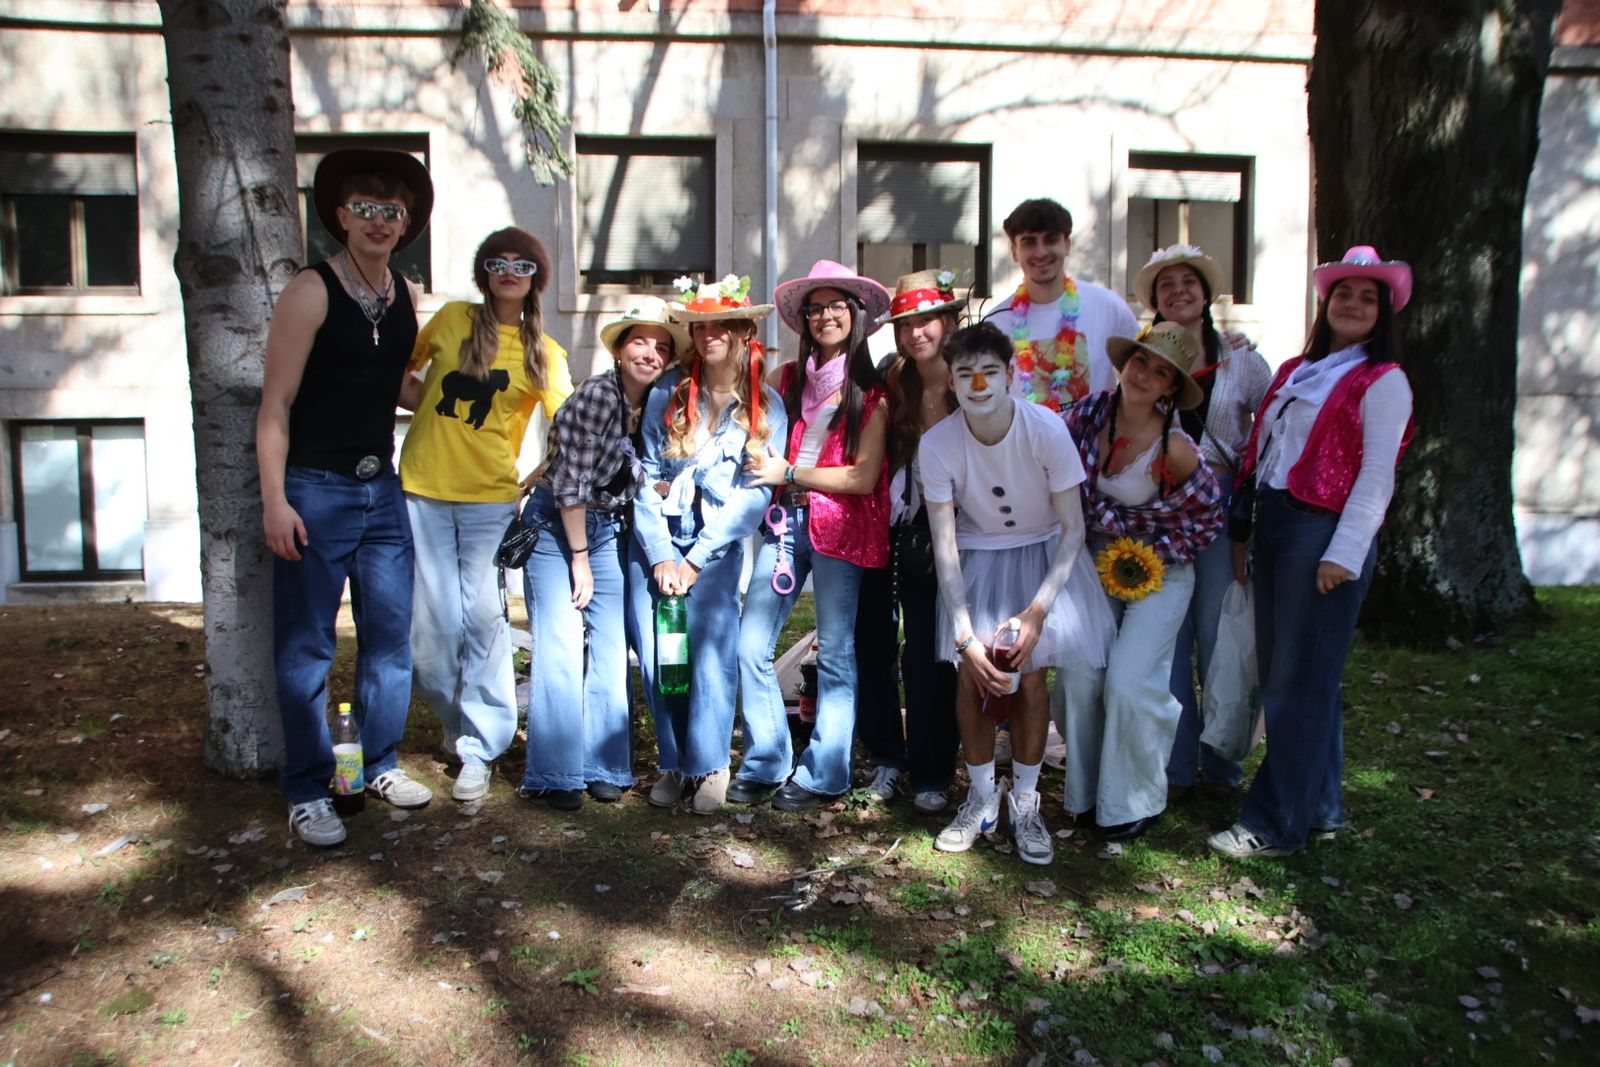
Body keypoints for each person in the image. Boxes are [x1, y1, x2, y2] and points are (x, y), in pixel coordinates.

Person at [1209, 247, 1415, 858]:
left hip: (1321, 534)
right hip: (1276, 525)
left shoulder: (1384, 381)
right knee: (1298, 678)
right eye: (1344, 294)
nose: (1352, 305)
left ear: (1384, 312)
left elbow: (1377, 476)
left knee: (1297, 684)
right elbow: (1260, 456)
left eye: (1367, 297)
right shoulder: (1299, 368)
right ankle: (1321, 805)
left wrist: (1344, 553)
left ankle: (1274, 824)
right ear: (1327, 303)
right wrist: (1245, 537)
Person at [258, 148, 436, 846]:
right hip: (315, 488)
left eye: (391, 210)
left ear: (407, 221)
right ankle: (308, 788)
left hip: (381, 491)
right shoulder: (311, 290)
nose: (378, 221)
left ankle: (377, 764)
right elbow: (275, 404)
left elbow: (393, 386)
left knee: (391, 639)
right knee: (307, 649)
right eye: (364, 208)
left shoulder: (403, 295)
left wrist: (459, 392)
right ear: (339, 215)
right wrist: (276, 499)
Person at [921, 322, 1114, 866]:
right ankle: (982, 795)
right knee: (974, 673)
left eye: (989, 372)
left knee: (1029, 679)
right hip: (977, 557)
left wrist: (1038, 610)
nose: (978, 384)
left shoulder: (1046, 429)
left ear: (1011, 375)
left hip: (1044, 557)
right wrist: (962, 632)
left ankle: (1026, 802)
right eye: (965, 374)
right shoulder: (936, 445)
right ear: (951, 381)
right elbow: (945, 543)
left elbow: (1073, 529)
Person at [398, 228, 571, 804]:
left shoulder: (543, 353)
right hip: (421, 488)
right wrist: (427, 411)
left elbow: (572, 426)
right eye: (497, 262)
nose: (508, 272)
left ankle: (480, 744)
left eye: (521, 265)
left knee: (482, 621)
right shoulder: (449, 320)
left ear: (535, 279)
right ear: (484, 272)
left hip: (489, 500)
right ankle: (456, 722)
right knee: (431, 632)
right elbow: (403, 375)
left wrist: (537, 478)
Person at [735, 260, 892, 812]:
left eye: (836, 306)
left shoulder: (872, 394)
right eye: (816, 308)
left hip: (838, 531)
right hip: (783, 524)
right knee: (749, 644)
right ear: (803, 319)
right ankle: (769, 759)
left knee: (836, 655)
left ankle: (827, 772)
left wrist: (790, 474)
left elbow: (863, 477)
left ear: (856, 315)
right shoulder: (787, 381)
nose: (825, 316)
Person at [515, 298, 685, 809]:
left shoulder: (655, 403)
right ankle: (555, 773)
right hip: (556, 524)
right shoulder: (595, 396)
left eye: (661, 346)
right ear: (617, 348)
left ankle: (605, 765)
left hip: (605, 525)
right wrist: (580, 558)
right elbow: (570, 484)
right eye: (639, 341)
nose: (650, 354)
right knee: (563, 643)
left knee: (611, 648)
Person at [1060, 323, 1224, 841]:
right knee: (1079, 678)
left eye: (1161, 372)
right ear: (1124, 362)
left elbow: (1209, 518)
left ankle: (1132, 802)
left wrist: (1153, 554)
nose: (1145, 375)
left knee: (1129, 681)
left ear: (1172, 387)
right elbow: (1038, 443)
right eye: (1140, 362)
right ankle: (1086, 796)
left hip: (1163, 570)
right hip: (1095, 562)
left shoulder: (1176, 449)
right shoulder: (1086, 416)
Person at [630, 275, 784, 815]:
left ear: (744, 329)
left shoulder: (766, 406)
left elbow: (752, 497)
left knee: (710, 655)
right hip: (656, 544)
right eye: (700, 325)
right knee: (658, 656)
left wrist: (694, 559)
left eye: (722, 324)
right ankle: (673, 762)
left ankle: (711, 763)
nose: (709, 333)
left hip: (713, 551)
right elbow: (645, 475)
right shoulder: (667, 395)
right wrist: (661, 555)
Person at [1125, 246, 1274, 800]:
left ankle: (1223, 765)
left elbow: (1271, 432)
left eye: (1189, 282)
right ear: (1156, 301)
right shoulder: (1145, 363)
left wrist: (1253, 511)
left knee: (1219, 639)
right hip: (1158, 517)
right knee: (1167, 641)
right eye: (1167, 285)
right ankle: (1175, 765)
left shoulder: (1243, 361)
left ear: (1206, 294)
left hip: (1220, 518)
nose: (1179, 291)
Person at [854, 270, 963, 813]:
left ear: (948, 322)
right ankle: (886, 758)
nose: (917, 332)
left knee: (930, 652)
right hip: (886, 523)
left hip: (948, 530)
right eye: (906, 323)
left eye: (927, 320)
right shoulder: (892, 378)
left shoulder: (970, 380)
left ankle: (932, 769)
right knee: (873, 643)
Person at [984, 197, 1139, 411]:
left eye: (1050, 240)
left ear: (1066, 244)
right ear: (1013, 251)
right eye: (1029, 242)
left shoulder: (1108, 307)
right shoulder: (994, 325)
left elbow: (1143, 377)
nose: (1041, 252)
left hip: (1094, 443)